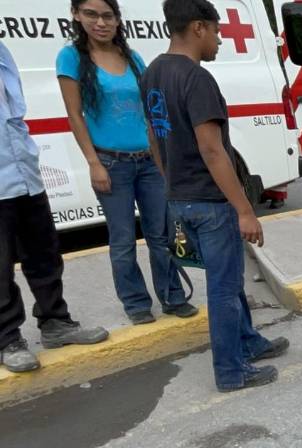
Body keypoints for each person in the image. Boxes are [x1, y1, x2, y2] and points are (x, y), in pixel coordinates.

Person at [140, 0, 287, 392]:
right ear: (199, 28)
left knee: (230, 279)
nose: (220, 39)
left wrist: (170, 181)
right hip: (210, 202)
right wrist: (244, 210)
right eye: (218, 31)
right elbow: (213, 150)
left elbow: (155, 135)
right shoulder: (197, 78)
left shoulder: (152, 73)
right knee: (223, 288)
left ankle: (249, 342)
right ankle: (231, 371)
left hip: (180, 197)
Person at [57, 0, 197, 326]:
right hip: (111, 163)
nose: (100, 22)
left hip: (148, 162)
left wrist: (162, 158)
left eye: (108, 15)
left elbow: (151, 111)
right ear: (77, 15)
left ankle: (173, 297)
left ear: (118, 20)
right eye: (91, 14)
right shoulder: (71, 58)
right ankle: (136, 304)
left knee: (162, 234)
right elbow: (74, 115)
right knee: (122, 241)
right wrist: (94, 163)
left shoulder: (132, 58)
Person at [1, 42, 109, 374]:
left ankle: (55, 322)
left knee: (44, 253)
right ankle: (7, 338)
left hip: (23, 173)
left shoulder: (3, 52)